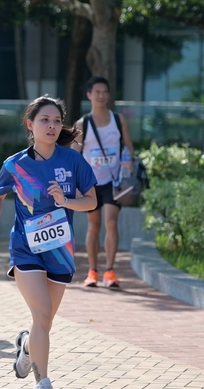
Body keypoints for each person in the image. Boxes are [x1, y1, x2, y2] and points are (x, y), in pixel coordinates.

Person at [0, 96, 97, 389]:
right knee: (43, 311)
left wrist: (66, 201)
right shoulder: (15, 164)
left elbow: (91, 201)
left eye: (57, 121)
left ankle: (26, 347)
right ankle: (42, 385)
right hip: (26, 249)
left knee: (43, 321)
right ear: (30, 125)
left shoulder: (73, 161)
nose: (52, 126)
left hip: (60, 252)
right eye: (45, 120)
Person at [73, 76, 135, 288]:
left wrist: (128, 162)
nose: (101, 95)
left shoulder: (118, 120)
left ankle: (110, 271)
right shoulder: (82, 124)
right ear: (89, 95)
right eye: (97, 92)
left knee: (111, 222)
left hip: (113, 181)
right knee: (94, 225)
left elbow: (128, 145)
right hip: (90, 183)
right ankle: (92, 272)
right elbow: (74, 154)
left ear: (108, 95)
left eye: (104, 92)